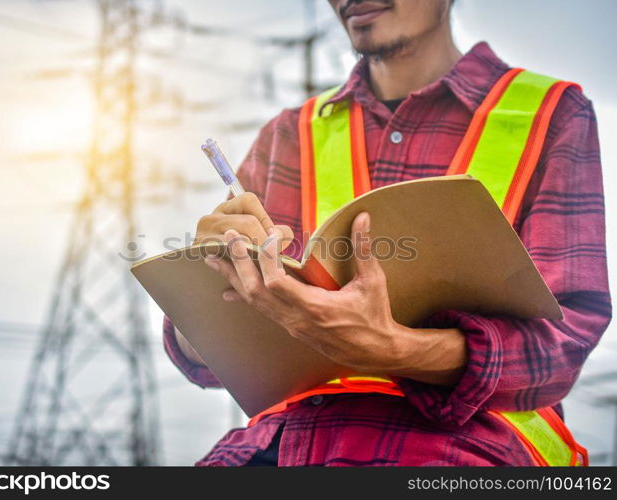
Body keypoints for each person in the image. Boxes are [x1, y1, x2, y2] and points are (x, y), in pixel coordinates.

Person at [162, 0, 611, 466]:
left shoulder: (551, 115)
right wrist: (207, 287)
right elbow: (204, 358)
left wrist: (398, 349)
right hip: (277, 449)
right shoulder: (288, 134)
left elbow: (565, 341)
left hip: (467, 451)